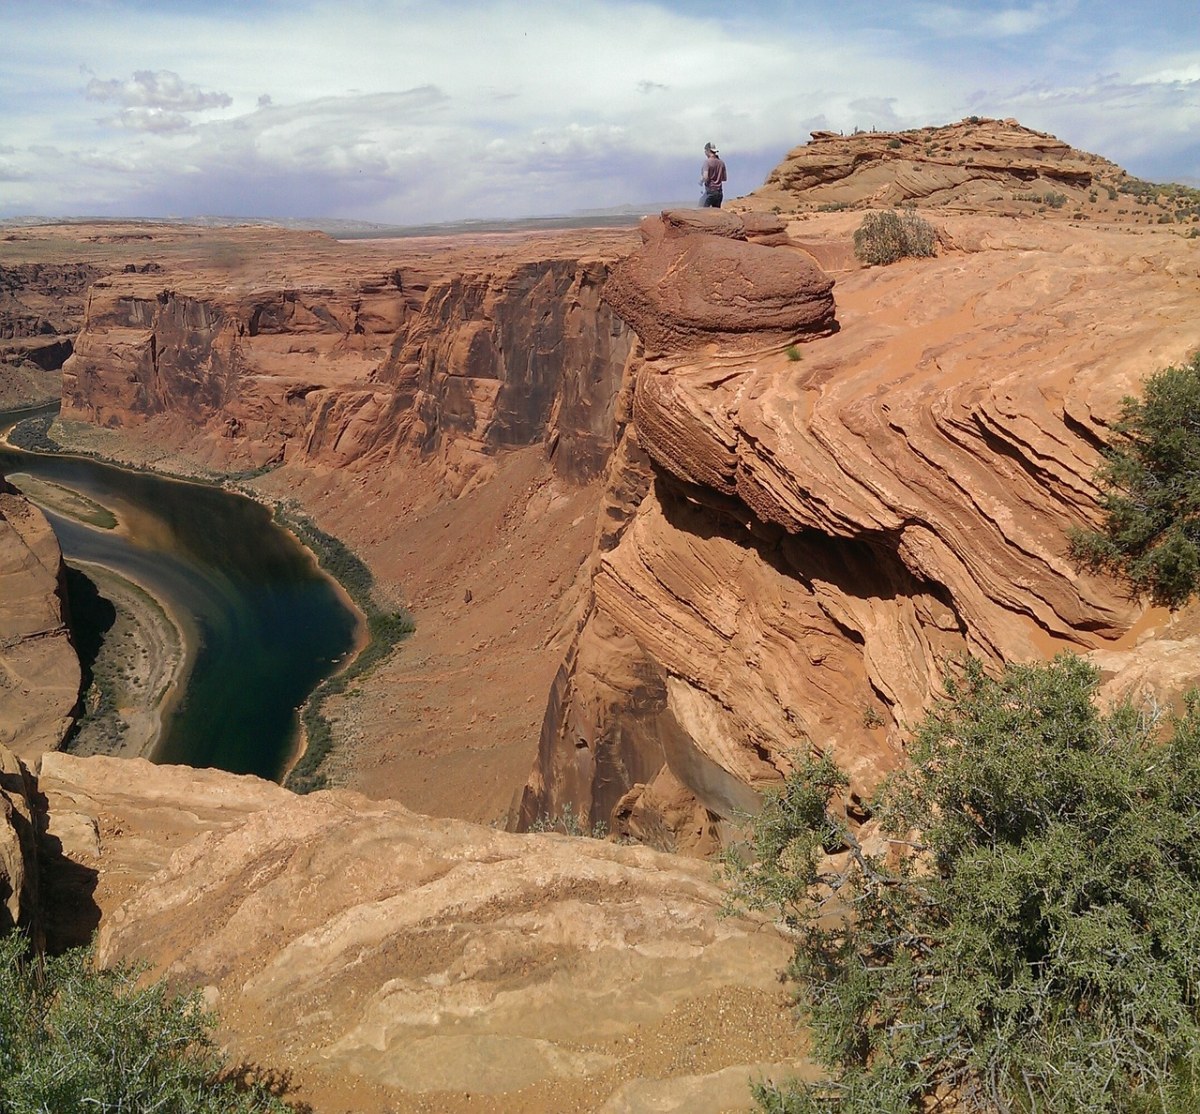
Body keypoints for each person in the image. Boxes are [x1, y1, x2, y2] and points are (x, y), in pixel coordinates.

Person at [699, 142, 727, 208]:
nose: (705, 153)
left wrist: (701, 181)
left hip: (710, 192)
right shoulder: (721, 163)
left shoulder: (707, 162)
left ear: (708, 150)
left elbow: (705, 177)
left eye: (705, 151)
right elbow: (724, 178)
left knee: (701, 210)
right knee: (716, 213)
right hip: (719, 193)